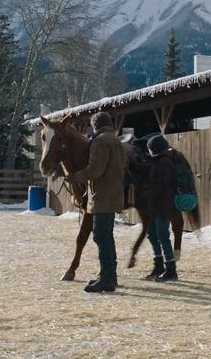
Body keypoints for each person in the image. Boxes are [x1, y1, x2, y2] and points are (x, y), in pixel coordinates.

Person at [67, 112, 126, 293]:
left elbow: (95, 170)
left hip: (102, 196)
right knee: (107, 236)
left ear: (95, 126)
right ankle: (109, 276)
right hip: (113, 193)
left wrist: (75, 177)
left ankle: (107, 279)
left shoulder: (100, 141)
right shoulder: (115, 140)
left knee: (101, 236)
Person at [129, 134, 179, 281]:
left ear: (154, 149)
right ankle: (159, 265)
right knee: (152, 234)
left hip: (163, 206)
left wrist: (148, 191)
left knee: (162, 235)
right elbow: (147, 169)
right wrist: (133, 165)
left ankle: (171, 270)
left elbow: (163, 185)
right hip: (154, 206)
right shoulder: (157, 162)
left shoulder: (165, 163)